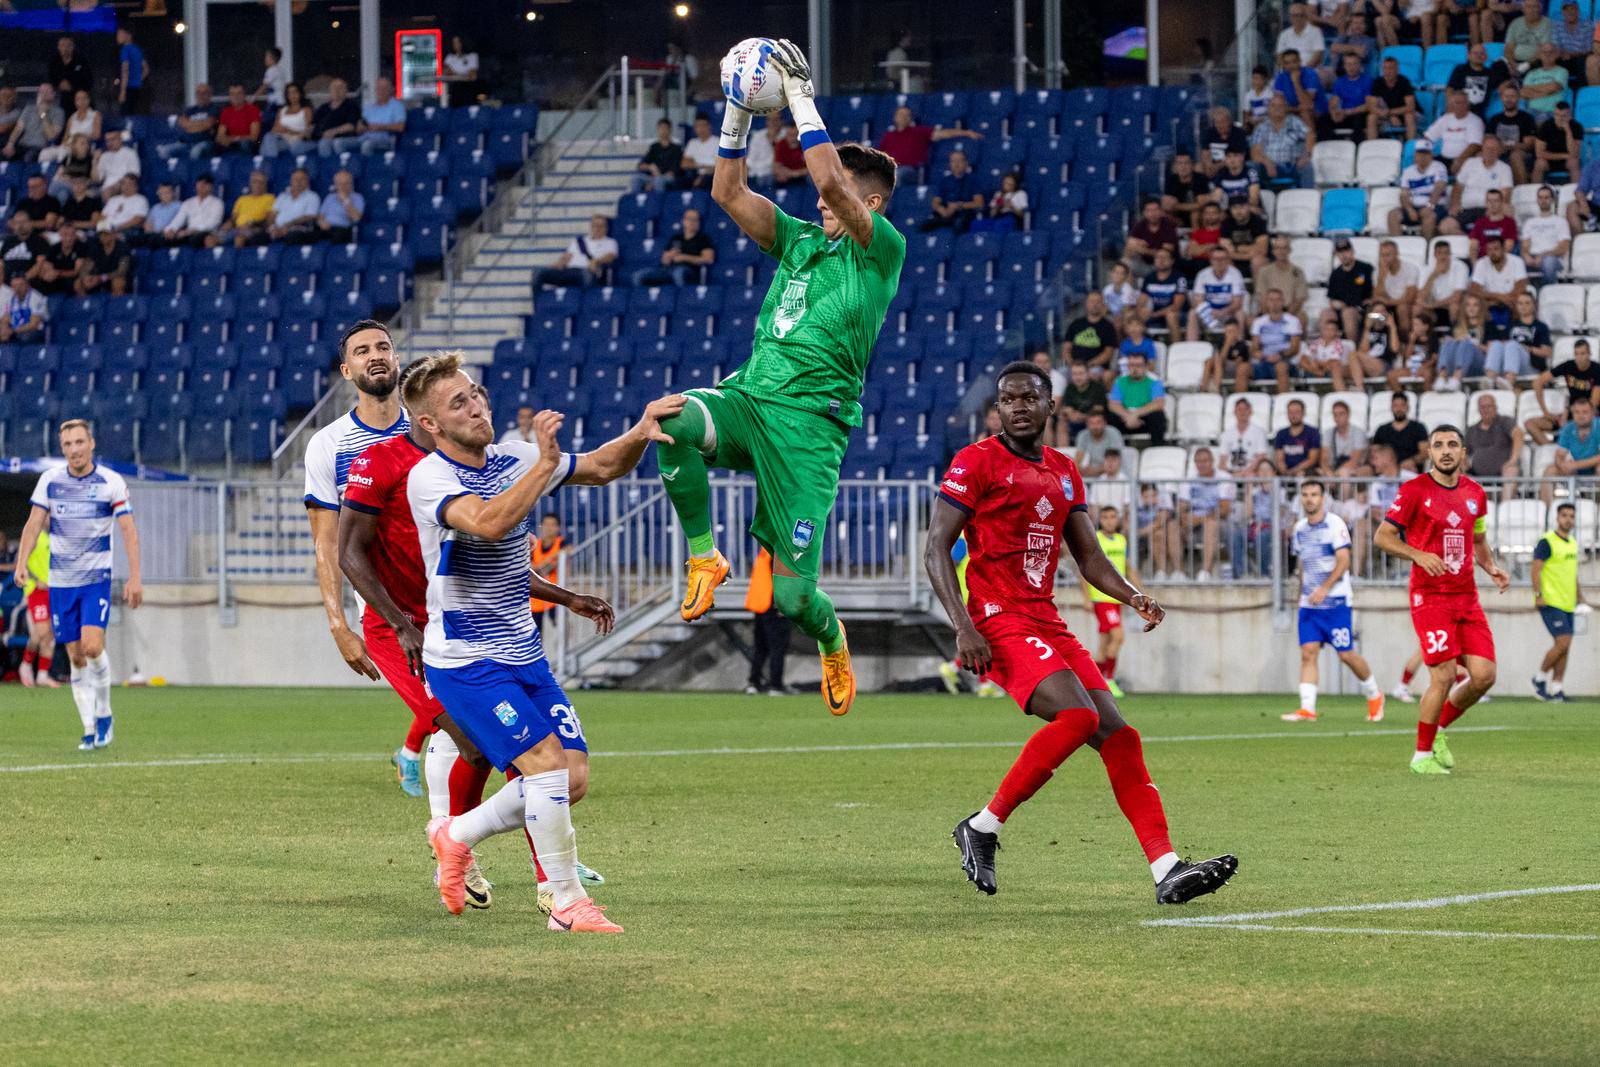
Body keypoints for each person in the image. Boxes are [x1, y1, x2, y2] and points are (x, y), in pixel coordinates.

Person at [927, 362, 1238, 902]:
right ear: (997, 409)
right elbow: (934, 550)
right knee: (1078, 717)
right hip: (997, 618)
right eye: (1008, 399)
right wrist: (964, 627)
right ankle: (982, 826)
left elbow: (1089, 557)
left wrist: (1132, 594)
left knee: (1120, 736)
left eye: (1030, 398)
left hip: (1045, 617)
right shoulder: (974, 461)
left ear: (1052, 407)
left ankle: (1166, 869)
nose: (1018, 407)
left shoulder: (1064, 470)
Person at [657, 39, 904, 717]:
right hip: (750, 401)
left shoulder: (881, 251)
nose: (825, 200)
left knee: (794, 600)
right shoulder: (798, 238)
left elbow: (828, 183)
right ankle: (705, 555)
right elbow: (725, 190)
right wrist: (737, 107)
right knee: (668, 418)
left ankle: (831, 637)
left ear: (873, 202)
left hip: (809, 432)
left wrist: (798, 93)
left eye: (848, 192)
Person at [403, 357, 671, 933]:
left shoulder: (517, 458)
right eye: (458, 404)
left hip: (524, 655)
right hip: (467, 660)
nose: (477, 407)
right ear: (430, 425)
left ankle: (456, 835)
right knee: (545, 769)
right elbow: (489, 523)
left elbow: (601, 467)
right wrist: (546, 462)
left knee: (570, 780)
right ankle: (566, 903)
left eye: (476, 394)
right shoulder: (430, 477)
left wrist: (641, 430)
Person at [303, 322, 421, 789]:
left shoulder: (428, 429)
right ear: (346, 370)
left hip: (450, 590)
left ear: (396, 359)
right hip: (386, 601)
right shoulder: (328, 445)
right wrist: (338, 625)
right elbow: (327, 543)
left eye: (384, 347)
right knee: (453, 719)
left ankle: (453, 841)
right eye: (362, 350)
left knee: (461, 720)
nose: (376, 355)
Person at [1374, 424, 1510, 775]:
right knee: (1444, 675)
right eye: (1438, 445)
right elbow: (1383, 536)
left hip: (1466, 596)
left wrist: (1491, 566)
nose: (1446, 450)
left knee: (1484, 676)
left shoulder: (1476, 494)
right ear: (1430, 452)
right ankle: (1421, 756)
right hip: (1430, 596)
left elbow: (1477, 539)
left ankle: (1439, 732)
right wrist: (1417, 554)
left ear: (1464, 453)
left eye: (1453, 444)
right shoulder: (1415, 490)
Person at [13, 419, 143, 750]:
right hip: (61, 583)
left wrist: (136, 576)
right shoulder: (50, 482)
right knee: (75, 657)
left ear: (92, 443)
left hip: (95, 580)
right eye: (68, 444)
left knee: (92, 647)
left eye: (79, 442)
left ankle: (104, 712)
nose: (74, 449)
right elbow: (32, 524)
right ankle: (88, 727)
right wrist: (21, 561)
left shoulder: (110, 482)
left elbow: (128, 530)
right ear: (63, 449)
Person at [1281, 480, 1386, 724]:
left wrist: (1324, 588)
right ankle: (1307, 708)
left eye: (1314, 494)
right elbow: (1303, 565)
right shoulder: (1299, 529)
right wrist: (1301, 596)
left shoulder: (1334, 524)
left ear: (1323, 498)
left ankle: (1374, 694)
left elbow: (1343, 560)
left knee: (1346, 654)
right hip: (1310, 604)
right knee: (1308, 653)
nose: (1309, 499)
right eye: (1305, 495)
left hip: (1336, 602)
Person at [1082, 505, 1135, 699]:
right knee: (1118, 636)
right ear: (1100, 520)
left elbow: (1128, 569)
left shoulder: (1121, 540)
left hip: (1117, 598)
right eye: (1105, 517)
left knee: (1104, 646)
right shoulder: (1096, 539)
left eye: (1113, 517)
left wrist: (1141, 594)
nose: (1109, 520)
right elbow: (1084, 569)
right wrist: (1087, 598)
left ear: (1118, 520)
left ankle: (1091, 683)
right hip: (1102, 597)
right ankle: (1109, 680)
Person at [1531, 503, 1583, 702]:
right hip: (1551, 601)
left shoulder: (1572, 543)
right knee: (1563, 641)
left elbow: (1572, 573)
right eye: (1564, 515)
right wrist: (1538, 595)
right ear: (1557, 518)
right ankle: (1539, 679)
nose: (1568, 519)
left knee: (1564, 646)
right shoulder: (1547, 542)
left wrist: (1580, 596)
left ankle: (1556, 688)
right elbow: (1535, 570)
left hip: (1568, 602)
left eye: (1571, 516)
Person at [1525, 337, 1600, 444]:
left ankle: (1564, 446)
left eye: (1583, 353)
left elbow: (1593, 403)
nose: (1579, 357)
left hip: (1590, 416)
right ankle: (1552, 449)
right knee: (1530, 424)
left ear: (1589, 354)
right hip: (1570, 413)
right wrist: (1545, 412)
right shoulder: (1568, 366)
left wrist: (1570, 416)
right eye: (1576, 354)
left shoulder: (1597, 370)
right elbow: (1537, 382)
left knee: (1576, 428)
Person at [876, 105, 974, 186]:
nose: (903, 117)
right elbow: (879, 156)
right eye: (901, 115)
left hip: (912, 171)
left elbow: (944, 133)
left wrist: (966, 133)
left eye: (907, 115)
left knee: (896, 175)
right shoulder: (888, 136)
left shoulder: (919, 132)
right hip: (890, 169)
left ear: (910, 118)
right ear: (895, 117)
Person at [1176, 447, 1234, 580]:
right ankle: (1179, 572)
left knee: (1211, 524)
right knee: (1173, 525)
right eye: (1198, 461)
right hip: (1194, 521)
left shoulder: (1224, 477)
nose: (1202, 464)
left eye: (1205, 461)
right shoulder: (1188, 480)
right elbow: (1182, 505)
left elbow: (1224, 509)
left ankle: (1205, 572)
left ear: (1212, 461)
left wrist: (1199, 519)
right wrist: (1181, 515)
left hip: (1221, 523)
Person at [744, 548, 792, 695]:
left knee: (761, 646)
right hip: (772, 604)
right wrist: (781, 604)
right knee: (777, 646)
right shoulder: (780, 551)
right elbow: (780, 579)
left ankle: (754, 682)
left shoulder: (765, 549)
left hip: (760, 603)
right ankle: (775, 685)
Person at [17, 528, 58, 689]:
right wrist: (36, 579)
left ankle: (42, 675)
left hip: (52, 591)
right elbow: (21, 562)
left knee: (46, 635)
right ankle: (26, 665)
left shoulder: (55, 537)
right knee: (42, 632)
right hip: (36, 591)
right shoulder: (35, 536)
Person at [1485, 289, 1551, 389]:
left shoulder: (1541, 326)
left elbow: (1547, 352)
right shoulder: (1510, 325)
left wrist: (1529, 349)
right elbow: (1501, 343)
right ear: (1516, 306)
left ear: (1534, 305)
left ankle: (1509, 382)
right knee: (1496, 344)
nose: (1523, 306)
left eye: (1527, 303)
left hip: (1530, 365)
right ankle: (1489, 380)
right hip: (1509, 362)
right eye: (1520, 303)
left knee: (1512, 345)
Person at [630, 208, 714, 286]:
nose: (692, 222)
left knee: (678, 273)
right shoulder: (675, 238)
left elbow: (708, 259)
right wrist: (670, 255)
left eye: (695, 220)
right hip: (668, 269)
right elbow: (664, 260)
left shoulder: (703, 239)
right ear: (683, 221)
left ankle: (681, 299)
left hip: (689, 270)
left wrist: (685, 258)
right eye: (689, 219)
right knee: (638, 275)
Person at [1243, 287, 1304, 394]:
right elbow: (1254, 349)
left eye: (1278, 300)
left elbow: (1295, 348)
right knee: (1243, 368)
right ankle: (1241, 405)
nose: (1274, 303)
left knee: (1280, 367)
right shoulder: (1258, 322)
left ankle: (1282, 403)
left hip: (1286, 361)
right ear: (1266, 302)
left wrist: (1280, 356)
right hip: (1264, 361)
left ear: (1283, 302)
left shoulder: (1292, 321)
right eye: (1271, 300)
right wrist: (1265, 357)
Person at [1540, 395, 1599, 504]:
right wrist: (1562, 465)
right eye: (1577, 412)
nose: (1581, 416)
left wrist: (1575, 465)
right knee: (1550, 470)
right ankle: (1547, 513)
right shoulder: (1568, 428)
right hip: (1576, 471)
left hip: (1594, 470)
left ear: (1593, 413)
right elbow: (1559, 454)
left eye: (1585, 412)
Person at [535, 214, 618, 289]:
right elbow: (566, 257)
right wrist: (558, 263)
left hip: (586, 272)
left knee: (586, 275)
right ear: (591, 227)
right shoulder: (578, 241)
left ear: (606, 228)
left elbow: (611, 256)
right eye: (595, 225)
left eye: (601, 226)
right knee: (538, 273)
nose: (597, 228)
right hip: (568, 271)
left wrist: (596, 261)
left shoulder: (610, 242)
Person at [1250, 93, 1314, 189]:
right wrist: (1266, 162)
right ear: (1268, 109)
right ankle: (1255, 199)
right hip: (1269, 167)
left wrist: (1306, 155)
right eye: (1273, 105)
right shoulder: (1261, 127)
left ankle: (1308, 199)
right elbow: (1255, 152)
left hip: (1293, 166)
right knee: (1252, 166)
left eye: (1280, 105)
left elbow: (1310, 135)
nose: (1277, 108)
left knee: (1307, 167)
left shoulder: (1294, 122)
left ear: (1286, 108)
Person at [1464, 392, 1523, 498]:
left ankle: (1504, 512)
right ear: (1478, 410)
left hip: (1503, 473)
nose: (1486, 409)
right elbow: (1463, 452)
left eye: (1489, 406)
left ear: (1495, 407)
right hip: (1477, 476)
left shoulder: (1504, 421)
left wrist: (1513, 460)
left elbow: (1518, 434)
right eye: (1482, 407)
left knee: (1512, 470)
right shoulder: (1472, 430)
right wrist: (1462, 464)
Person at [1449, 134, 1513, 231]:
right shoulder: (1470, 163)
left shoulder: (1504, 168)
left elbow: (1505, 194)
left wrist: (1492, 208)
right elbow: (1458, 187)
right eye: (1487, 148)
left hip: (1489, 209)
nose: (1490, 152)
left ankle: (1480, 240)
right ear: (1482, 149)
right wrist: (1455, 204)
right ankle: (1471, 242)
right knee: (1445, 226)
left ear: (1499, 151)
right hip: (1466, 209)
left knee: (1507, 210)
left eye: (1494, 149)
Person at [1187, 246, 1247, 346]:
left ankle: (1239, 347)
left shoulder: (1235, 274)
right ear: (1210, 260)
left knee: (1240, 313)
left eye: (1223, 259)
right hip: (1209, 313)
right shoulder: (1202, 275)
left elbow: (1237, 303)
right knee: (1192, 313)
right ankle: (1192, 347)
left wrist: (1222, 312)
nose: (1219, 262)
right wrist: (1210, 312)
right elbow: (1198, 300)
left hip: (1228, 313)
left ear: (1228, 260)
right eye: (1216, 259)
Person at [1467, 235, 1528, 327]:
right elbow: (1474, 289)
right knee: (1477, 303)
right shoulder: (1481, 263)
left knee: (1520, 301)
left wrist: (1503, 299)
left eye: (1496, 249)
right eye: (1489, 250)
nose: (1492, 252)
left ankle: (1516, 333)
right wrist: (1499, 297)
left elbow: (1521, 286)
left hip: (1511, 300)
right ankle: (1486, 335)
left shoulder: (1517, 261)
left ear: (1503, 249)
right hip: (1490, 302)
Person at [1107, 352, 1168, 444]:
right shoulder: (1120, 380)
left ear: (1146, 366)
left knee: (1157, 416)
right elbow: (1113, 404)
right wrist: (1128, 416)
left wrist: (1135, 414)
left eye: (1138, 365)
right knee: (1110, 416)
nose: (1135, 369)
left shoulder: (1155, 381)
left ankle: (1157, 448)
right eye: (1131, 365)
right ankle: (1116, 451)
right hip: (1125, 417)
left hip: (1145, 418)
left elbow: (1158, 404)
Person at [1435, 291, 1490, 391]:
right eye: (1468, 305)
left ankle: (1456, 379)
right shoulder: (1456, 325)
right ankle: (1441, 378)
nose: (1471, 308)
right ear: (1464, 308)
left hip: (1478, 365)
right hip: (1455, 362)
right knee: (1448, 342)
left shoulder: (1489, 325)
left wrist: (1473, 344)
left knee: (1466, 344)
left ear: (1480, 308)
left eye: (1475, 305)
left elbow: (1492, 351)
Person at [919, 148, 983, 232]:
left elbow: (979, 203)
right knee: (924, 226)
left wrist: (959, 206)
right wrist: (941, 210)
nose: (956, 164)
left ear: (966, 163)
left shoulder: (973, 180)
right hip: (946, 212)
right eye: (953, 161)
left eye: (959, 161)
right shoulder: (945, 180)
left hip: (963, 213)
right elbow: (935, 201)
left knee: (959, 224)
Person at [1414, 237, 1468, 331]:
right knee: (1417, 308)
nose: (1443, 256)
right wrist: (1434, 275)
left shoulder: (1460, 267)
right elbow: (1421, 296)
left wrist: (1433, 305)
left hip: (1451, 304)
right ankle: (1426, 338)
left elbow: (1457, 296)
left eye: (1446, 253)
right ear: (1434, 255)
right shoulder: (1427, 269)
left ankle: (1454, 334)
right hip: (1434, 304)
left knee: (1454, 306)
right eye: (1440, 253)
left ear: (1450, 254)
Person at [1423, 90, 1485, 173]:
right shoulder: (1445, 118)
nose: (1459, 105)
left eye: (1462, 102)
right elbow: (1428, 137)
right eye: (1456, 103)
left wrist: (1459, 160)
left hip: (1464, 159)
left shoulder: (1475, 120)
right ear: (1452, 104)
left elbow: (1474, 145)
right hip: (1443, 158)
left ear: (1468, 104)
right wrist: (1427, 154)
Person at [1326, 237, 1374, 340]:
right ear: (1336, 254)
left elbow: (1373, 291)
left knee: (1348, 313)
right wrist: (1338, 304)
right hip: (1342, 309)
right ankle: (1328, 349)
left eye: (1346, 251)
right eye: (1340, 252)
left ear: (1352, 251)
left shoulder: (1366, 268)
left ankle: (1353, 350)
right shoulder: (1335, 274)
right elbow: (1332, 300)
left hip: (1362, 309)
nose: (1344, 255)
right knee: (1325, 314)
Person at [1521, 184, 1571, 281]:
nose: (1543, 201)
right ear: (1537, 200)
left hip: (1553, 258)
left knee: (1548, 263)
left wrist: (1543, 255)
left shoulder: (1560, 221)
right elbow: (1525, 246)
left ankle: (1547, 293)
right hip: (1533, 257)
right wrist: (1526, 256)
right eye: (1540, 198)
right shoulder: (1529, 222)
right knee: (1517, 263)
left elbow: (1563, 247)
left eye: (1546, 197)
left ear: (1552, 200)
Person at [1448, 44, 1512, 119]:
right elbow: (1450, 89)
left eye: (1482, 53)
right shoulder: (1460, 69)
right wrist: (1450, 106)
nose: (1479, 55)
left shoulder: (1490, 73)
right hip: (1458, 110)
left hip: (1478, 114)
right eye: (1475, 53)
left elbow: (1503, 86)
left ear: (1486, 57)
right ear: (1469, 56)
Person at [1062, 291, 1118, 376]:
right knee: (1059, 376)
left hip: (1095, 367)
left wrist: (1087, 366)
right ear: (1086, 303)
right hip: (1072, 366)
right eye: (1091, 301)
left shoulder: (1108, 326)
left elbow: (1108, 353)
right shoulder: (1076, 323)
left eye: (1098, 301)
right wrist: (1072, 364)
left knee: (1093, 375)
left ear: (1103, 304)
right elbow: (1066, 349)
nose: (1094, 304)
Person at [2, 84, 63, 162]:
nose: (44, 94)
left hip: (40, 147)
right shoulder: (29, 108)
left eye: (47, 92)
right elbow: (18, 128)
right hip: (22, 145)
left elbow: (51, 136)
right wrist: (10, 144)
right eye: (41, 92)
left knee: (28, 157)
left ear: (53, 94)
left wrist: (43, 114)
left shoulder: (58, 112)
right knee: (4, 154)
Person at [1137, 246, 1188, 337]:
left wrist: (1154, 314)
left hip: (1178, 315)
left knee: (1171, 316)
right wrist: (1142, 310)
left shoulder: (1180, 278)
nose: (1161, 260)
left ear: (1172, 261)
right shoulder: (1149, 278)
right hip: (1155, 314)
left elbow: (1176, 306)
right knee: (1132, 315)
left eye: (1164, 257)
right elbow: (1141, 301)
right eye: (1158, 257)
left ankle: (1175, 349)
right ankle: (1138, 348)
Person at [1373, 390, 1430, 470]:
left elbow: (1425, 453)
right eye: (1395, 406)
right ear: (1391, 408)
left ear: (1408, 407)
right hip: (1386, 472)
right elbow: (1374, 452)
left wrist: (1412, 461)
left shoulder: (1418, 428)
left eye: (1402, 405)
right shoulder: (1382, 430)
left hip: (1410, 471)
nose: (1399, 409)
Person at [1373, 238, 1419, 338]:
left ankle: (1404, 341)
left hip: (1404, 304)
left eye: (1388, 255)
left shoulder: (1411, 268)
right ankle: (1378, 341)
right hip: (1387, 305)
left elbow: (1410, 297)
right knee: (1377, 310)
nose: (1385, 259)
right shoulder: (1378, 271)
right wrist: (1381, 278)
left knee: (1402, 308)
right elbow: (1376, 297)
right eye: (1382, 255)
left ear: (1396, 253)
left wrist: (1388, 302)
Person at [161, 84, 220, 161]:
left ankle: (194, 172)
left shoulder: (214, 109)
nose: (201, 96)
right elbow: (183, 124)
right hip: (186, 143)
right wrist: (199, 125)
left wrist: (191, 125)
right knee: (164, 151)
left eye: (204, 93)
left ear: (210, 95)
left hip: (205, 142)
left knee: (195, 152)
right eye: (198, 93)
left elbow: (208, 124)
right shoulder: (190, 110)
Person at [1368, 53, 1419, 141]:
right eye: (1385, 68)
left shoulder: (1404, 82)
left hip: (1406, 113)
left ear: (1397, 69)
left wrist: (1391, 113)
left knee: (1409, 117)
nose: (1388, 71)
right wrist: (1389, 116)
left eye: (1391, 68)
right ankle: (1371, 148)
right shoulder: (1378, 82)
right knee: (1371, 117)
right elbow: (1372, 107)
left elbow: (1410, 107)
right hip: (1388, 114)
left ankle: (1409, 149)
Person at [220, 169, 275, 247]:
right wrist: (228, 223)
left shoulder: (270, 198)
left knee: (239, 239)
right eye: (255, 182)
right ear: (250, 184)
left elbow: (268, 220)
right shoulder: (242, 199)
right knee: (210, 239)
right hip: (237, 228)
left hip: (254, 229)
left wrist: (251, 223)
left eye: (261, 182)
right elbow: (234, 217)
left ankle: (235, 258)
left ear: (265, 185)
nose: (257, 185)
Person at [1218, 396, 1271, 477]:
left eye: (1245, 409)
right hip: (1230, 472)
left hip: (1251, 471)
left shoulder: (1259, 432)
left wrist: (1244, 473)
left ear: (1250, 411)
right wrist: (1226, 473)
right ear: (1234, 412)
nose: (1242, 412)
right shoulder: (1226, 434)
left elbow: (1261, 457)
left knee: (1251, 476)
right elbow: (1223, 459)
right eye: (1239, 409)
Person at [267, 167, 321, 244]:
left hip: (299, 229)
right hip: (278, 229)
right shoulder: (283, 196)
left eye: (302, 179)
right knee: (259, 237)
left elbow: (309, 217)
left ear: (307, 181)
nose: (298, 182)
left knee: (292, 236)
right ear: (291, 181)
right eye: (295, 179)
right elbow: (272, 215)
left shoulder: (313, 196)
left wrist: (287, 226)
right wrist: (272, 228)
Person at [1327, 52, 1375, 140]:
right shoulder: (1340, 82)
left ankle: (1357, 149)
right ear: (1344, 66)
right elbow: (1333, 102)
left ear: (1359, 65)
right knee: (1324, 120)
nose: (1351, 67)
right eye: (1348, 64)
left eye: (1354, 64)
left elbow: (1369, 105)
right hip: (1345, 115)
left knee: (1358, 120)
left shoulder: (1368, 81)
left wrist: (1348, 112)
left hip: (1360, 114)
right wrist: (1334, 113)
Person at [1124, 198, 1181, 271]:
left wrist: (1142, 250)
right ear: (1144, 213)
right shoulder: (1141, 224)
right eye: (1149, 211)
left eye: (1155, 210)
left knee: (1162, 258)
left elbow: (1165, 253)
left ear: (1161, 211)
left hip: (1165, 265)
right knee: (1126, 263)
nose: (1153, 214)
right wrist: (1140, 246)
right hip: (1144, 263)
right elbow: (1130, 244)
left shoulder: (1168, 225)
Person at [529, 512, 566, 621]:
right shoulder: (535, 544)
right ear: (541, 526)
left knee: (562, 627)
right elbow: (533, 567)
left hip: (556, 594)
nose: (549, 528)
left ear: (558, 528)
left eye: (552, 525)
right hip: (536, 597)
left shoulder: (562, 542)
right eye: (546, 524)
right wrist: (552, 558)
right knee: (536, 633)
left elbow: (566, 554)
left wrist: (541, 568)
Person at [261, 82, 313, 159]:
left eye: (295, 92)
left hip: (297, 139)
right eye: (289, 93)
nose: (292, 95)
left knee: (266, 146)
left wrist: (288, 130)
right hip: (282, 139)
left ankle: (269, 165)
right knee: (268, 137)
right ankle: (270, 163)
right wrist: (279, 130)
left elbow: (308, 133)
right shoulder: (282, 110)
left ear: (300, 93)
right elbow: (273, 130)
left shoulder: (306, 110)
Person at [631, 118, 683, 194]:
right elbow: (641, 165)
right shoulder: (654, 147)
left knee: (659, 181)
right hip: (653, 177)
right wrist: (650, 167)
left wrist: (655, 179)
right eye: (661, 128)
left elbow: (673, 172)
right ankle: (637, 204)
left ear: (670, 130)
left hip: (668, 177)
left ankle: (658, 204)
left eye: (665, 128)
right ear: (657, 130)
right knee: (636, 178)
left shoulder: (676, 148)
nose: (663, 131)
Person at [1058, 361, 1107, 442]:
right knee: (1061, 421)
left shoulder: (1098, 387)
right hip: (1075, 419)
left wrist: (1083, 416)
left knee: (1094, 421)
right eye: (1074, 374)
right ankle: (1062, 452)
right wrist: (1072, 414)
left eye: (1081, 373)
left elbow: (1099, 409)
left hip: (1092, 418)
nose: (1078, 377)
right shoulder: (1070, 388)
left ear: (1088, 374)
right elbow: (1067, 407)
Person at [1534, 100, 1581, 182]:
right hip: (1549, 160)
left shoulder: (1576, 126)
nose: (1560, 119)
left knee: (1574, 162)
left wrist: (1568, 131)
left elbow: (1574, 153)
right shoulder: (1545, 126)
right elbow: (1539, 153)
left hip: (1567, 161)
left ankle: (1576, 192)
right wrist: (1565, 156)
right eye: (1557, 115)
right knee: (1539, 164)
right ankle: (1534, 191)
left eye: (1564, 116)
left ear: (1569, 116)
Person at [1220, 197, 1268, 278]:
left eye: (1242, 207)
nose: (1238, 211)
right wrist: (1249, 252)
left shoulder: (1258, 221)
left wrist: (1237, 248)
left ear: (1248, 207)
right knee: (1223, 261)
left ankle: (1258, 290)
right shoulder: (1226, 223)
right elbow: (1226, 251)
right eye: (1234, 208)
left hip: (1255, 259)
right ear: (1230, 209)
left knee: (1257, 261)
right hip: (1239, 258)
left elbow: (1262, 250)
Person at [1301, 314, 1353, 389]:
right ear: (1322, 331)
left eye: (1331, 329)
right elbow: (1304, 358)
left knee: (1334, 365)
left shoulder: (1340, 344)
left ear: (1337, 332)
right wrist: (1314, 368)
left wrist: (1317, 362)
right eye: (1326, 329)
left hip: (1329, 372)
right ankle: (1316, 372)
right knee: (1303, 359)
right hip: (1314, 370)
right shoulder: (1315, 343)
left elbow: (1334, 361)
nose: (1328, 332)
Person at [1160, 152, 1210, 229]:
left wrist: (1177, 206)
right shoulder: (1171, 179)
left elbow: (1201, 205)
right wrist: (1174, 208)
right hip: (1177, 214)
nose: (1183, 166)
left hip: (1197, 214)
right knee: (1160, 214)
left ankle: (1196, 239)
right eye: (1179, 163)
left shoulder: (1200, 178)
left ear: (1192, 165)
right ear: (1175, 166)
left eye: (1186, 163)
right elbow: (1167, 205)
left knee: (1194, 214)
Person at [1272, 399, 1322, 476]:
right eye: (1290, 412)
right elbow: (1279, 459)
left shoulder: (1312, 432)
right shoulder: (1281, 434)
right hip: (1285, 472)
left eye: (1297, 412)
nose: (1293, 415)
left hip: (1306, 472)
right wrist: (1283, 470)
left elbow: (1312, 459)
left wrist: (1293, 471)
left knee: (1301, 474)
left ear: (1303, 413)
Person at [312, 78, 362, 152]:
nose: (336, 90)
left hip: (344, 138)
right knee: (297, 146)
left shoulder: (351, 106)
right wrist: (306, 131)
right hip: (320, 137)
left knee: (327, 143)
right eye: (334, 88)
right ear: (330, 90)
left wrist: (332, 132)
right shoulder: (323, 107)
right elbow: (313, 124)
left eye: (340, 88)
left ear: (346, 91)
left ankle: (333, 163)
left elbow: (350, 126)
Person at [1322, 398, 1369, 477]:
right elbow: (1324, 458)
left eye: (1341, 414)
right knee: (1317, 473)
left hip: (1357, 468)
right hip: (1334, 467)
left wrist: (1335, 475)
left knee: (1344, 473)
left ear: (1348, 414)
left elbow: (1355, 460)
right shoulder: (1328, 433)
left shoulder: (1358, 432)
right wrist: (1327, 471)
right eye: (1335, 414)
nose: (1338, 417)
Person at [77, 228, 130, 298]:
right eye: (101, 235)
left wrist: (102, 278)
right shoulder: (96, 248)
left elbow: (122, 271)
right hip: (98, 278)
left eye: (106, 234)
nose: (103, 237)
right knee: (78, 283)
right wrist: (86, 277)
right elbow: (85, 268)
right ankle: (86, 306)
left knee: (118, 282)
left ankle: (117, 306)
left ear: (113, 234)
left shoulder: (123, 248)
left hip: (112, 277)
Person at [317, 168, 365, 244]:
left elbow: (356, 218)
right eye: (340, 184)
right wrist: (321, 222)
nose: (343, 186)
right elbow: (321, 215)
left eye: (346, 183)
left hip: (342, 229)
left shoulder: (358, 197)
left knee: (337, 235)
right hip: (325, 227)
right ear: (336, 185)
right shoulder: (330, 197)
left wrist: (345, 200)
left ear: (351, 184)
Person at [1073, 408, 1125, 477]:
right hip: (1088, 473)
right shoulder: (1083, 435)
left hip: (1110, 474)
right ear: (1087, 424)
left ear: (1105, 423)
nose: (1095, 426)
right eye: (1091, 423)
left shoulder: (1113, 433)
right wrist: (1081, 469)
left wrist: (1095, 471)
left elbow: (1113, 461)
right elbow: (1078, 459)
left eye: (1098, 422)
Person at [1199, 107, 1250, 176]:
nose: (1220, 125)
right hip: (1212, 166)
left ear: (1229, 121)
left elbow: (1239, 157)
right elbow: (1205, 154)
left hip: (1232, 164)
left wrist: (1216, 167)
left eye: (1222, 121)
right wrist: (1209, 167)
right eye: (1217, 122)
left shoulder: (1239, 133)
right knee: (1198, 168)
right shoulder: (1209, 133)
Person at [1506, 0, 1555, 71]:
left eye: (1535, 7)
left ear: (1540, 9)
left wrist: (1527, 64)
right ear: (1523, 9)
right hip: (1515, 61)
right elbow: (1508, 48)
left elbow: (1544, 50)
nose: (1532, 10)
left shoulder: (1548, 24)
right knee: (1499, 66)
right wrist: (1512, 63)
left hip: (1535, 61)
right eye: (1529, 7)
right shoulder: (1515, 23)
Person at [214, 84, 262, 155]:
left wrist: (233, 139)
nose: (235, 97)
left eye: (239, 93)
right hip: (230, 144)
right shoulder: (226, 112)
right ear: (229, 96)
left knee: (244, 144)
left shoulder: (253, 110)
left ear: (244, 95)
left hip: (246, 144)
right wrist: (228, 140)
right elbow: (219, 136)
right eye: (232, 94)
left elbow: (254, 136)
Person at [0, 273, 47, 343]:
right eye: (14, 286)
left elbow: (33, 324)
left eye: (21, 285)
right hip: (15, 329)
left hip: (34, 331)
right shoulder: (10, 298)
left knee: (24, 337)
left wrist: (12, 331)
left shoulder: (36, 298)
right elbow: (5, 317)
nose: (18, 288)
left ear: (27, 285)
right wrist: (4, 329)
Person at [676, 114, 718, 190]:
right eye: (698, 126)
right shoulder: (692, 143)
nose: (701, 129)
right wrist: (701, 166)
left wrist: (702, 173)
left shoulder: (717, 142)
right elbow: (684, 164)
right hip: (695, 173)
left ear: (709, 126)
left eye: (703, 125)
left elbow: (719, 166)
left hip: (711, 175)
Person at [116, 24, 149, 114]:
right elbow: (146, 69)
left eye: (120, 34)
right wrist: (138, 79)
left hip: (128, 88)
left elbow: (125, 70)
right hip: (137, 88)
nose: (118, 37)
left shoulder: (125, 50)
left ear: (128, 35)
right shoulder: (137, 49)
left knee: (126, 115)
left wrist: (122, 91)